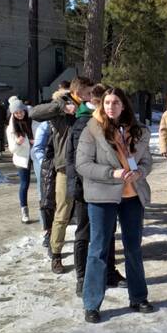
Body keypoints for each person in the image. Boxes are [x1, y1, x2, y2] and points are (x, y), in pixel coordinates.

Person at [76, 87, 154, 323]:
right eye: (107, 103)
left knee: (134, 247)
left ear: (124, 105)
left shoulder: (136, 130)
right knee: (98, 249)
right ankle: (92, 304)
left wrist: (140, 171)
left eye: (116, 102)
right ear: (102, 105)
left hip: (132, 197)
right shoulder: (92, 130)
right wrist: (113, 173)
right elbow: (83, 165)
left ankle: (138, 297)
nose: (111, 107)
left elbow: (147, 160)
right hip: (102, 196)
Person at [66, 83, 127, 297]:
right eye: (103, 102)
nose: (107, 107)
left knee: (107, 232)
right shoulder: (83, 123)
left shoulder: (110, 125)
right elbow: (75, 160)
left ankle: (109, 272)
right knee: (84, 232)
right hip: (84, 187)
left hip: (105, 188)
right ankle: (82, 277)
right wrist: (78, 187)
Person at [30, 76, 94, 274]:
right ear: (78, 91)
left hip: (86, 167)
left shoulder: (88, 108)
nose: (90, 95)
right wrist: (61, 108)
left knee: (87, 213)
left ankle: (87, 252)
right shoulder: (62, 104)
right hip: (66, 168)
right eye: (88, 92)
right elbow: (34, 112)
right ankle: (56, 253)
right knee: (63, 212)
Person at [6, 99, 36, 224]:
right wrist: (18, 143)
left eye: (21, 111)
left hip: (35, 155)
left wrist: (35, 141)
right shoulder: (11, 128)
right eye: (16, 113)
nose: (19, 114)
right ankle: (24, 211)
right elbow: (12, 149)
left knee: (44, 182)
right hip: (22, 159)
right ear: (13, 113)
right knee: (25, 184)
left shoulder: (32, 120)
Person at [31, 120, 53, 249]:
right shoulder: (46, 125)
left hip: (63, 166)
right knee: (45, 197)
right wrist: (46, 164)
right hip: (46, 166)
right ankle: (47, 232)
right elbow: (37, 148)